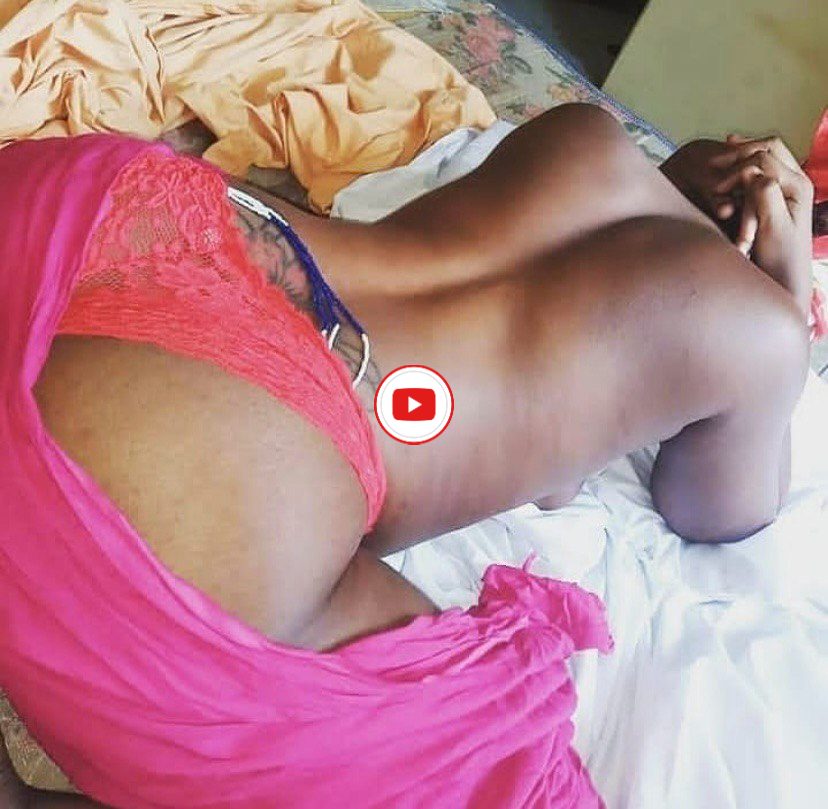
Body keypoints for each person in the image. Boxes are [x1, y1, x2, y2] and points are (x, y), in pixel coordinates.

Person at [0, 105, 814, 807]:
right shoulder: (761, 331)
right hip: (235, 442)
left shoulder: (589, 133)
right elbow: (717, 514)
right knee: (499, 765)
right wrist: (787, 299)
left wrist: (693, 183)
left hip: (126, 216)